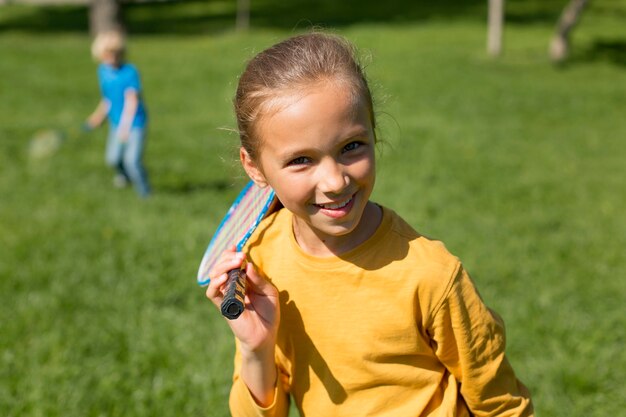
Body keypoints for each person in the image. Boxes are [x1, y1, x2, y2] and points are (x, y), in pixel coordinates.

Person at [206, 32, 534, 416]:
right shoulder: (260, 260)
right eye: (301, 160)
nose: (334, 182)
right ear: (254, 167)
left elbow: (503, 406)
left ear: (373, 132)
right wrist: (256, 350)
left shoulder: (431, 276)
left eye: (351, 147)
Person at [84, 30, 151, 197]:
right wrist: (98, 116)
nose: (111, 57)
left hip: (134, 123)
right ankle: (124, 177)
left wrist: (125, 126)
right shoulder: (103, 71)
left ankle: (145, 193)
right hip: (116, 122)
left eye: (115, 53)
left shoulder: (129, 72)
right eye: (107, 53)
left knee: (132, 161)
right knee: (112, 159)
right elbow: (108, 98)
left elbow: (132, 101)